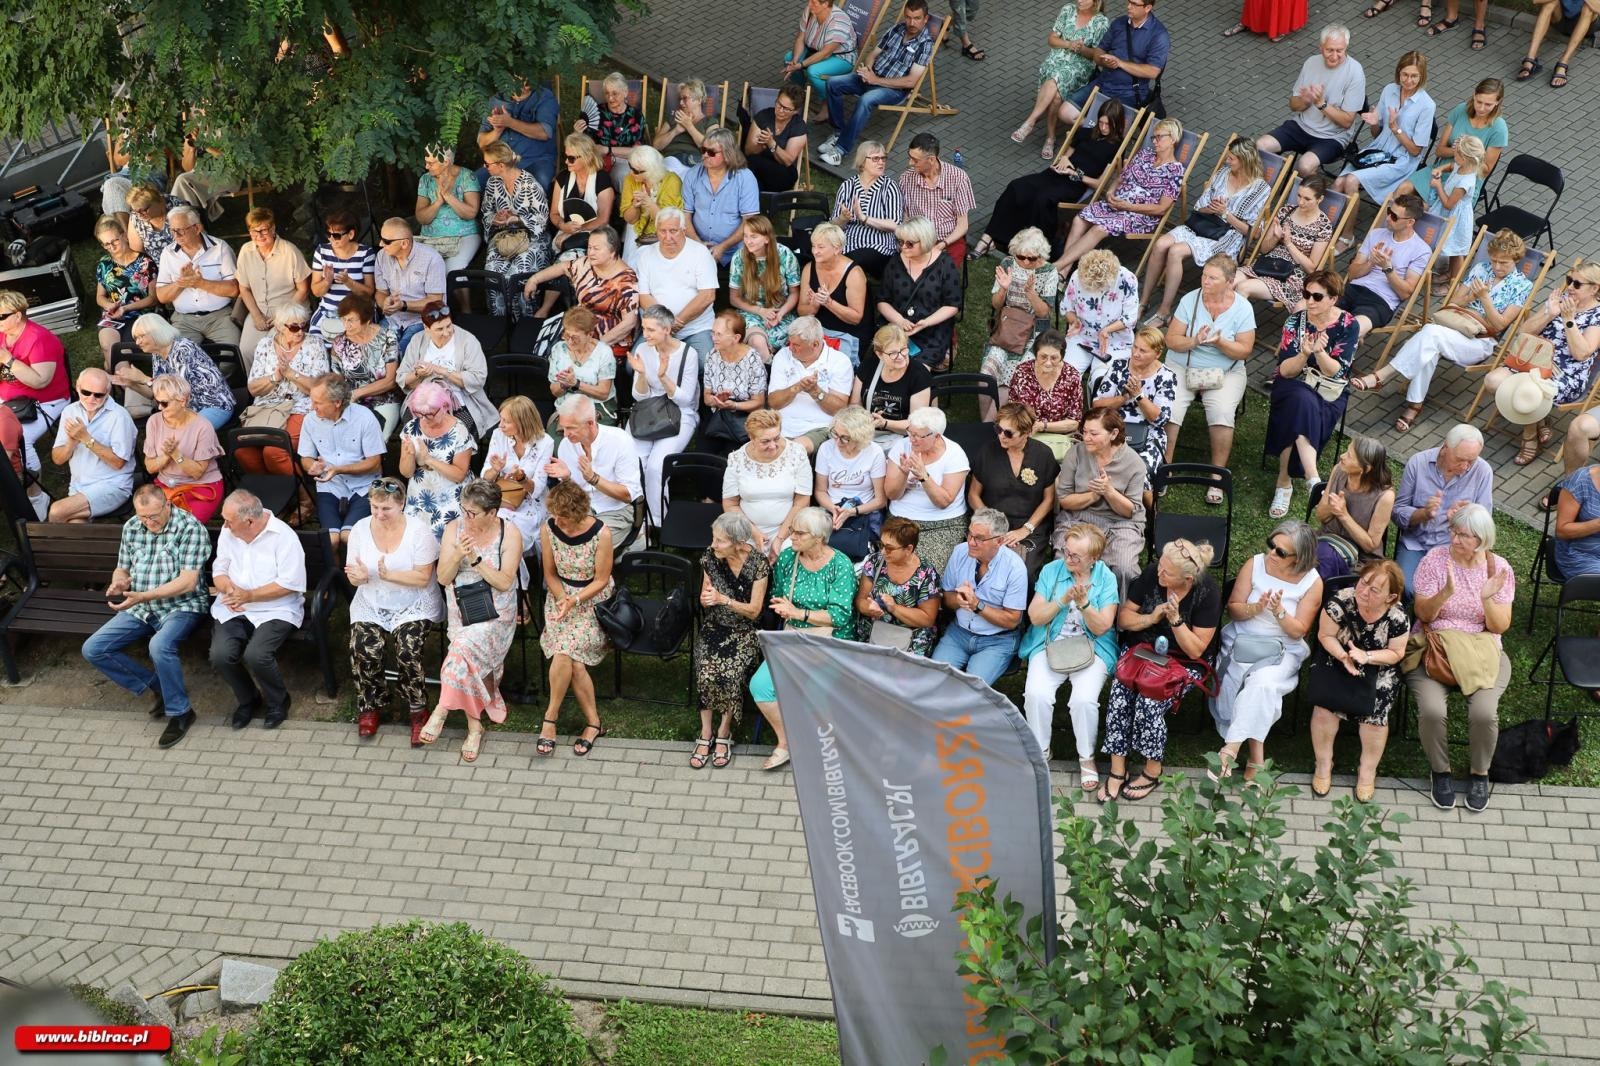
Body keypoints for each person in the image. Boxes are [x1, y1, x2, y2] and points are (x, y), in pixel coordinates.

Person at [1352, 228, 1532, 429]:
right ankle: (1414, 404)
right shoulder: (1481, 269)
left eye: (1503, 263)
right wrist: (1470, 297)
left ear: (1516, 260)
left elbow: (1500, 324)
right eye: (1494, 261)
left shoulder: (1522, 286)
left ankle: (1381, 376)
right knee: (1430, 344)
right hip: (1454, 326)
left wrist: (1484, 298)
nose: (1497, 266)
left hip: (1480, 341)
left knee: (1430, 333)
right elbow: (1454, 301)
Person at [83, 485, 213, 748]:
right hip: (140, 605)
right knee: (94, 648)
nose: (149, 522)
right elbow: (122, 567)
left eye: (154, 516)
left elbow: (188, 582)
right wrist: (118, 583)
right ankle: (159, 687)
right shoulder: (133, 526)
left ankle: (181, 712)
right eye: (144, 517)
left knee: (160, 646)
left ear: (167, 505)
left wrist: (144, 596)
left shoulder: (189, 528)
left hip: (182, 606)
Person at [1407, 504, 1513, 812]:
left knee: (1484, 713)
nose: (1454, 539)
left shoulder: (1498, 568)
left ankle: (1479, 773)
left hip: (1481, 650)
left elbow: (1499, 625)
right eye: (1453, 531)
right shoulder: (1435, 561)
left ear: (1481, 539)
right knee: (1431, 710)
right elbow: (1422, 613)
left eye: (1463, 535)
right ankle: (1441, 772)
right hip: (1435, 649)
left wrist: (1485, 598)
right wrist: (1446, 593)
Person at [1101, 539, 1222, 803]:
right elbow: (1123, 619)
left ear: (1187, 578)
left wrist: (1176, 620)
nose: (1159, 573)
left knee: (1150, 701)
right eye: (1160, 567)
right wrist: (1151, 617)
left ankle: (1152, 770)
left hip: (1182, 662)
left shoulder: (1207, 593)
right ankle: (1117, 768)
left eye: (1166, 572)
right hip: (1142, 651)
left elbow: (1196, 650)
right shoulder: (1152, 573)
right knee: (1120, 693)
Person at [1209, 521, 1322, 780]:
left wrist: (1279, 612)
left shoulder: (1313, 583)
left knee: (1263, 685)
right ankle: (1256, 761)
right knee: (1251, 684)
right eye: (1272, 545)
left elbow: (1299, 630)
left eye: (1281, 552)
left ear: (1299, 558)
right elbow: (1233, 609)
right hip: (1242, 640)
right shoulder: (1255, 564)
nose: (1272, 553)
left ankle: (1230, 750)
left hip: (1283, 649)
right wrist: (1255, 609)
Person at [423, 480, 524, 763]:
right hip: (462, 607)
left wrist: (477, 559)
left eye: (472, 513)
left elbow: (505, 582)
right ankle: (474, 726)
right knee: (462, 654)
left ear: (492, 513)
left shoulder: (509, 533)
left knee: (460, 652)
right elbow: (443, 578)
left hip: (496, 611)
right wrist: (456, 554)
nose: (466, 517)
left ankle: (442, 709)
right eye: (463, 510)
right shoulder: (454, 529)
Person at [749, 506, 857, 770]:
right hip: (794, 636)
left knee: (814, 691)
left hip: (831, 641)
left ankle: (820, 748)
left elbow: (840, 616)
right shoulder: (789, 558)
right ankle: (787, 742)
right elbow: (778, 595)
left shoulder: (840, 565)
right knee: (760, 686)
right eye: (792, 531)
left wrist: (798, 612)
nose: (791, 537)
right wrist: (783, 607)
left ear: (819, 537)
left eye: (799, 533)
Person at [344, 476, 444, 743]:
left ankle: (417, 709)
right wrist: (360, 577)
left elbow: (423, 578)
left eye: (385, 508)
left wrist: (388, 575)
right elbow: (353, 577)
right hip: (373, 600)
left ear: (401, 504)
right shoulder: (360, 529)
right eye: (374, 507)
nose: (379, 514)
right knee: (362, 646)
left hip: (413, 602)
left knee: (407, 650)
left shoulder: (418, 531)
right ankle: (370, 704)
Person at [1020, 522, 1120, 781]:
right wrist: (1063, 600)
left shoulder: (1106, 578)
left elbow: (1102, 628)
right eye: (1066, 551)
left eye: (1075, 555)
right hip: (1050, 642)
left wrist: (1084, 604)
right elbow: (1035, 617)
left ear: (1094, 558)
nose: (1068, 558)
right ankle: (1040, 751)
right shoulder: (1052, 571)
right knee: (1036, 694)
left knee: (1084, 700)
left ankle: (1086, 758)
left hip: (1092, 646)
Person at [1308, 560, 1410, 802]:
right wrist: (1344, 656)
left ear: (1391, 597)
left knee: (1375, 718)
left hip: (1378, 666)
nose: (1363, 592)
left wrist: (1367, 657)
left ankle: (1367, 771)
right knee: (1324, 710)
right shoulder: (1339, 602)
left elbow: (1396, 653)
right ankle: (1323, 764)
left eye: (1375, 590)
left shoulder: (1397, 617)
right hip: (1338, 657)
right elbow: (1325, 635)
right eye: (1363, 582)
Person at [977, 102, 1128, 262]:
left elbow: (1099, 184)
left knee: (1042, 198)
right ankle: (989, 237)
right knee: (1017, 186)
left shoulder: (1116, 147)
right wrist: (1063, 159)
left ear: (1116, 124)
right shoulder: (1085, 133)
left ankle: (1034, 247)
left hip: (1074, 184)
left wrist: (1074, 173)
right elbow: (1066, 155)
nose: (1103, 127)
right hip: (1055, 174)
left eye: (1108, 124)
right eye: (1101, 122)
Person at [1141, 140, 1271, 327]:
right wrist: (1211, 208)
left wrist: (1226, 214)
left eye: (1231, 158)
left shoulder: (1260, 190)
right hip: (1203, 224)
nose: (1227, 161)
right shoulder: (1223, 174)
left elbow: (1255, 233)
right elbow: (1199, 206)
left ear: (1244, 160)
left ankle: (1163, 311)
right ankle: (1143, 302)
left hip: (1227, 237)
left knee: (1175, 251)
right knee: (1161, 243)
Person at [1264, 270, 1359, 517]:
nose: (1310, 301)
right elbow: (1285, 371)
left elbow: (1337, 373)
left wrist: (1319, 353)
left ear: (1333, 299)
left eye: (1317, 296)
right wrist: (1304, 354)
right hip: (1293, 383)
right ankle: (1312, 478)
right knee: (1299, 399)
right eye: (1306, 294)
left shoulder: (1349, 324)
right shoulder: (1295, 323)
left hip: (1329, 391)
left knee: (1297, 407)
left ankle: (1284, 482)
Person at [1486, 262, 1600, 467]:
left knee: (1530, 391)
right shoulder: (1561, 300)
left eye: (1577, 284)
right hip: (1534, 361)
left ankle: (1529, 436)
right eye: (1568, 280)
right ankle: (1538, 422)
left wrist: (1568, 320)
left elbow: (1582, 353)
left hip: (1566, 374)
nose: (1570, 287)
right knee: (1493, 381)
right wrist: (1549, 312)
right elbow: (1524, 331)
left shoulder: (1597, 315)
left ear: (1595, 288)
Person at [211, 489, 306, 731]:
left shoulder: (284, 537)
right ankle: (248, 699)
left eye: (228, 520)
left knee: (256, 655)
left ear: (249, 521)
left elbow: (289, 584)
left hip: (276, 608)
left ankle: (278, 702)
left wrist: (250, 595)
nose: (224, 524)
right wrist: (228, 588)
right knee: (220, 654)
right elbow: (219, 570)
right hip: (235, 606)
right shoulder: (229, 532)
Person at [535, 478, 612, 760]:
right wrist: (562, 599)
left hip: (592, 599)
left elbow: (602, 580)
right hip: (560, 595)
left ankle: (550, 719)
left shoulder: (602, 534)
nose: (559, 522)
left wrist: (576, 600)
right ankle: (593, 723)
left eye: (564, 518)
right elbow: (550, 574)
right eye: (556, 516)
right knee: (571, 658)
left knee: (565, 652)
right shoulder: (549, 528)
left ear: (578, 513)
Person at [1162, 255, 1257, 476]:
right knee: (1170, 409)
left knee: (1222, 412)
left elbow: (1245, 350)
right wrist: (1193, 341)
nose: (1205, 281)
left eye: (1213, 278)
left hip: (1226, 371)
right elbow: (1171, 340)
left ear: (1229, 281)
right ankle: (1164, 467)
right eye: (1204, 275)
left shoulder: (1243, 308)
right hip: (1183, 365)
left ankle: (1217, 474)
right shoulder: (1190, 300)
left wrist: (1221, 342)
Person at [1054, 118, 1185, 276]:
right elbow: (1120, 177)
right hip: (1117, 204)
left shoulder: (1175, 172)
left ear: (1173, 139)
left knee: (1100, 227)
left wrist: (1128, 206)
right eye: (1153, 137)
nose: (1155, 141)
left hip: (1139, 215)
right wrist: (1110, 191)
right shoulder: (1145, 154)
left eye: (1159, 137)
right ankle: (1064, 272)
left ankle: (1056, 267)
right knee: (1079, 219)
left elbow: (1161, 208)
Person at [694, 512, 772, 769]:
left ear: (739, 542)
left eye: (720, 541)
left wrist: (723, 600)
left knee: (731, 673)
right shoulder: (710, 557)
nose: (714, 545)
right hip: (715, 625)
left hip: (745, 629)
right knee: (706, 672)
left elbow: (754, 610)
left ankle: (723, 733)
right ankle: (706, 733)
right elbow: (705, 593)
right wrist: (707, 599)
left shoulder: (758, 563)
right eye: (714, 538)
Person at [819, 0, 935, 165]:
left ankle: (840, 150)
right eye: (908, 17)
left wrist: (876, 80)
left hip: (894, 90)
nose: (911, 23)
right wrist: (868, 70)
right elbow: (873, 54)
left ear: (925, 19)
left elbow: (911, 81)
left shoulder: (925, 45)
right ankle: (838, 132)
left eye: (916, 18)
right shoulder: (896, 29)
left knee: (866, 100)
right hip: (872, 77)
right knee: (833, 83)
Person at [932, 508, 1028, 685]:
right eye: (969, 534)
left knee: (972, 691)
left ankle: (962, 714)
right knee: (934, 679)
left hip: (998, 640)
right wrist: (959, 600)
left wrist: (977, 605)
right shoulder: (959, 552)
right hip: (959, 634)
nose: (971, 542)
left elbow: (1012, 620)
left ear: (999, 541)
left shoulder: (1015, 568)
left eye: (979, 538)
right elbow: (946, 599)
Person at [1391, 423, 1492, 592]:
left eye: (1471, 460)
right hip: (1416, 544)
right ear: (1445, 447)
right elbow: (1397, 512)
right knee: (1406, 588)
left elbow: (1484, 524)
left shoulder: (1482, 471)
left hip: (1454, 549)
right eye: (1460, 459)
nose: (1466, 466)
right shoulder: (1418, 463)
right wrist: (1424, 514)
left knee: (1444, 594)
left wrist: (1461, 520)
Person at [1257, 25, 1365, 178]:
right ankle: (1264, 188)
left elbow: (1347, 121)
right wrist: (1305, 100)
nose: (1334, 56)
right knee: (1260, 146)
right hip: (1301, 126)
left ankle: (1300, 196)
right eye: (1329, 50)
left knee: (1304, 166)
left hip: (1332, 137)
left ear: (1346, 47)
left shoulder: (1355, 72)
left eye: (1339, 50)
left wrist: (1321, 104)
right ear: (1321, 48)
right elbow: (1293, 105)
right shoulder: (1311, 63)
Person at [968, 402, 1060, 578]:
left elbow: (1048, 499)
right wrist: (991, 524)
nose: (1002, 436)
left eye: (1009, 433)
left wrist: (1026, 529)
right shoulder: (987, 452)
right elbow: (973, 494)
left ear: (1027, 433)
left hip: (1030, 523)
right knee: (984, 569)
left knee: (1024, 571)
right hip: (993, 521)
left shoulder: (1043, 454)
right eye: (998, 429)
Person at [1055, 407, 1147, 580]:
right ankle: (1067, 605)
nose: (1086, 438)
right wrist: (1093, 496)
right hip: (1080, 517)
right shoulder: (1076, 453)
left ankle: (1119, 607)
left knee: (1124, 569)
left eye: (1094, 434)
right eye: (1084, 432)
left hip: (1120, 523)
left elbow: (1131, 511)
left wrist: (1109, 492)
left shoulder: (1134, 463)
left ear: (1113, 434)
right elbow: (1065, 500)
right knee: (1065, 561)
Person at [240, 303, 324, 493]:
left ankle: (301, 498)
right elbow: (253, 389)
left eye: (304, 325)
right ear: (279, 326)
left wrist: (291, 374)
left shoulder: (315, 344)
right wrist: (274, 378)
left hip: (300, 407)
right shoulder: (264, 345)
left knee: (275, 450)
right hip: (266, 408)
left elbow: (319, 389)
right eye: (294, 327)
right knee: (244, 450)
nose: (300, 331)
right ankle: (271, 494)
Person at [1011, 0, 1112, 158]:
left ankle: (1031, 121)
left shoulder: (1101, 22)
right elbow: (1051, 40)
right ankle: (1049, 137)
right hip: (1056, 58)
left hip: (1080, 66)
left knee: (1056, 79)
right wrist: (1068, 44)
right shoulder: (1068, 9)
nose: (1079, 0)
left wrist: (1081, 48)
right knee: (1056, 94)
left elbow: (1096, 56)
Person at [1333, 51, 1435, 208]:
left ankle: (1347, 232)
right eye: (1405, 74)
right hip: (1378, 151)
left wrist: (1396, 129)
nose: (1408, 80)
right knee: (1339, 182)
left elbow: (1415, 151)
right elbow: (1377, 135)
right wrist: (1374, 123)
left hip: (1401, 160)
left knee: (1351, 180)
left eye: (1414, 76)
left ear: (1422, 76)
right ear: (1398, 72)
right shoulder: (1389, 90)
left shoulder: (1427, 105)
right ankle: (1325, 225)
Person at [628, 306, 700, 525]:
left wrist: (663, 378)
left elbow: (686, 399)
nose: (646, 334)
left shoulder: (688, 353)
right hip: (649, 411)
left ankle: (657, 522)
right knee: (633, 460)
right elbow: (640, 397)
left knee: (656, 467)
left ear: (667, 329)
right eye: (644, 328)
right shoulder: (643, 348)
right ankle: (633, 517)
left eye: (651, 329)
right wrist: (641, 373)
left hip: (679, 414)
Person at [298, 375, 385, 551]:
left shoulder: (364, 417)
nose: (312, 407)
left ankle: (355, 577)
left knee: (349, 537)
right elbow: (305, 458)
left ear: (337, 402)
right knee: (331, 541)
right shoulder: (310, 420)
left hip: (363, 487)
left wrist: (338, 470)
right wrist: (312, 466)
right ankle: (335, 576)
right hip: (329, 487)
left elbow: (375, 463)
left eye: (318, 402)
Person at [979, 228, 1059, 416]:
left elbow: (1044, 314)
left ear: (1041, 257)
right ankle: (985, 424)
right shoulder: (1008, 263)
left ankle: (991, 426)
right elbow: (996, 305)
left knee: (1011, 378)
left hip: (1034, 332)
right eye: (1020, 256)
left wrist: (1031, 294)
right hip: (1007, 327)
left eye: (1031, 259)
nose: (1024, 262)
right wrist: (1003, 289)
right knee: (985, 377)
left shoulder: (1049, 271)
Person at [522, 228, 640, 354]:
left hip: (609, 340)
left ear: (613, 251)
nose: (591, 252)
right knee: (547, 348)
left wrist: (596, 346)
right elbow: (562, 267)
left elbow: (629, 322)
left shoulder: (626, 280)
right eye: (589, 247)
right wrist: (534, 279)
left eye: (596, 248)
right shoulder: (585, 264)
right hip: (580, 327)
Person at [548, 394, 643, 543]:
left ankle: (634, 542)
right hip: (580, 510)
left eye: (571, 428)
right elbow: (573, 496)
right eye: (563, 428)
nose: (565, 434)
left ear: (590, 423)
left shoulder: (620, 440)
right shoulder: (566, 445)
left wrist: (593, 479)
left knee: (587, 546)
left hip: (615, 511)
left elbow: (628, 495)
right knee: (551, 534)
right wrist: (566, 479)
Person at [885, 406, 970, 572]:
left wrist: (923, 476)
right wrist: (903, 473)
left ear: (936, 436)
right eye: (910, 433)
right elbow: (891, 494)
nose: (912, 439)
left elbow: (943, 501)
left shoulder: (955, 454)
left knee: (926, 572)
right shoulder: (901, 447)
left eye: (918, 436)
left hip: (942, 525)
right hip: (900, 521)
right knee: (892, 568)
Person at [1339, 189, 1431, 341]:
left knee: (1351, 331)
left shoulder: (1421, 250)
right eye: (1389, 211)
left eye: (1394, 216)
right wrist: (1371, 263)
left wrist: (1387, 268)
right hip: (1353, 289)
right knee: (1317, 316)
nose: (1388, 218)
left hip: (1380, 301)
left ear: (1410, 222)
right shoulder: (1376, 234)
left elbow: (1405, 293)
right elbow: (1352, 274)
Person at [1232, 176, 1333, 313]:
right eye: (1299, 196)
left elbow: (1311, 268)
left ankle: (1237, 330)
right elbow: (1264, 249)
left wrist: (1289, 244)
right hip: (1266, 264)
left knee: (1243, 288)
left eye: (1307, 199)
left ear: (1319, 199)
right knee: (1228, 281)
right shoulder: (1286, 211)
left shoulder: (1323, 226)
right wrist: (1275, 237)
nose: (1301, 202)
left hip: (1290, 276)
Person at [1057, 0, 1171, 121]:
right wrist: (1103, 60)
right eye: (1129, 2)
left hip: (1129, 92)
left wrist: (1120, 63)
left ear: (1147, 8)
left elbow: (1153, 71)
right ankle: (1095, 127)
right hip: (1103, 83)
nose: (1128, 6)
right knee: (1065, 113)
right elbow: (1099, 52)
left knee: (1113, 126)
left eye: (1134, 4)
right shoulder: (1119, 23)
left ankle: (1100, 129)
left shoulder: (1159, 35)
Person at [723, 408, 814, 559]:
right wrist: (755, 533)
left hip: (789, 529)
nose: (772, 445)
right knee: (746, 568)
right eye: (765, 441)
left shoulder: (797, 453)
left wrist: (780, 538)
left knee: (788, 559)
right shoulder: (736, 459)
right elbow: (731, 504)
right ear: (751, 437)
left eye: (776, 438)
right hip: (747, 529)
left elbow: (802, 501)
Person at [48, 368, 135, 523]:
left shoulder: (119, 417)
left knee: (57, 511)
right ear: (77, 387)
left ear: (108, 392)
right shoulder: (70, 411)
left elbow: (118, 463)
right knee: (75, 526)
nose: (91, 399)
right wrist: (70, 444)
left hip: (112, 485)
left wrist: (87, 439)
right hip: (78, 486)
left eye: (99, 395)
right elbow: (57, 459)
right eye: (86, 392)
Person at [396, 302, 496, 439]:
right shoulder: (417, 340)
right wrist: (418, 374)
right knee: (413, 429)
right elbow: (402, 378)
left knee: (460, 432)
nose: (446, 332)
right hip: (424, 399)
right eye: (439, 329)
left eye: (448, 326)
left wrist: (444, 372)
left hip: (460, 399)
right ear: (426, 328)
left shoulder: (467, 340)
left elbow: (478, 377)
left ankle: (455, 459)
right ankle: (423, 459)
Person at [118, 314, 234, 431]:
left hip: (214, 405)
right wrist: (131, 384)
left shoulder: (182, 349)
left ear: (156, 333)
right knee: (162, 433)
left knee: (184, 436)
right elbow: (157, 394)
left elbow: (179, 393)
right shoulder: (157, 354)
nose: (137, 342)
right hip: (187, 408)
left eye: (140, 337)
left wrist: (144, 379)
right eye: (136, 338)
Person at [1090, 325, 1175, 481]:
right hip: (1113, 429)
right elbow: (1097, 406)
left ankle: (1142, 504)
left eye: (1143, 351)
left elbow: (1160, 420)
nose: (1136, 354)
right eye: (1135, 347)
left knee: (1138, 474)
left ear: (1157, 354)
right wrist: (1123, 398)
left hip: (1149, 433)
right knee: (1097, 470)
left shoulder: (1166, 377)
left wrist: (1139, 396)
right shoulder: (1119, 366)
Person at [633, 208, 719, 361]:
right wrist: (665, 322)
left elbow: (707, 295)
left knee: (703, 363)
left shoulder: (700, 253)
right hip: (658, 328)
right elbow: (644, 296)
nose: (668, 237)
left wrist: (677, 322)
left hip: (696, 328)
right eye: (662, 231)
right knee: (633, 365)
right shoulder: (645, 255)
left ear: (683, 230)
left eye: (673, 231)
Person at [878, 216, 963, 371]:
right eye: (900, 242)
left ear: (924, 241)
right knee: (888, 367)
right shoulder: (895, 262)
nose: (903, 247)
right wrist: (899, 320)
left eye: (909, 243)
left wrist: (926, 322)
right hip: (898, 327)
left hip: (932, 329)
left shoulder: (945, 264)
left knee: (917, 372)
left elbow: (953, 305)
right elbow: (882, 300)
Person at [0, 291, 70, 473]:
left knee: (19, 440)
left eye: (1, 316)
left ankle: (36, 496)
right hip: (8, 398)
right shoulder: (3, 334)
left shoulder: (39, 339)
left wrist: (8, 360)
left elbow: (41, 381)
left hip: (44, 401)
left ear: (17, 316)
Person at [398, 381, 477, 540]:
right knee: (417, 544)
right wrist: (408, 456)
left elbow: (459, 474)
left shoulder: (459, 430)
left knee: (448, 540)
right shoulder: (411, 428)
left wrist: (428, 459)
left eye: (430, 414)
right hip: (420, 497)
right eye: (419, 414)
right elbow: (406, 473)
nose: (425, 419)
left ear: (444, 406)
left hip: (451, 497)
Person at [478, 144, 550, 317]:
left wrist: (518, 219)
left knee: (518, 272)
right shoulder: (492, 183)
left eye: (487, 164)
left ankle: (526, 320)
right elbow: (486, 211)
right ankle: (500, 320)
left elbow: (542, 216)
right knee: (493, 272)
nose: (484, 167)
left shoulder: (529, 184)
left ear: (501, 165)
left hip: (531, 238)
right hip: (504, 237)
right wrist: (495, 218)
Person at [155, 205, 242, 346]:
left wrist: (200, 283)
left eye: (181, 230)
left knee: (233, 355)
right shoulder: (168, 253)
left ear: (197, 228)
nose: (176, 236)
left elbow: (234, 290)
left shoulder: (219, 247)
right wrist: (181, 282)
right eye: (173, 231)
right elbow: (162, 296)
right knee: (179, 358)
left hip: (219, 317)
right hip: (184, 320)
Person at [143, 374, 225, 523]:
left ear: (182, 401)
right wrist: (166, 456)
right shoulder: (154, 422)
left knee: (186, 527)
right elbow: (150, 467)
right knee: (151, 521)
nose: (160, 408)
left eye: (165, 403)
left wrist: (176, 455)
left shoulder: (203, 427)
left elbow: (197, 472)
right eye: (157, 402)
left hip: (201, 487)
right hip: (166, 485)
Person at [855, 514, 942, 652]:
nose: (883, 551)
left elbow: (927, 619)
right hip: (873, 634)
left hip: (910, 640)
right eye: (881, 545)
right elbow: (860, 600)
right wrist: (868, 607)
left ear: (908, 549)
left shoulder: (927, 574)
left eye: (889, 548)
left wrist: (894, 608)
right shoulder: (875, 562)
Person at [769, 316, 854, 454]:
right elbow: (773, 402)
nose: (790, 348)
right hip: (780, 426)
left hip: (818, 428)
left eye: (796, 345)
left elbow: (839, 409)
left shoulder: (840, 361)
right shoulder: (783, 355)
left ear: (815, 344)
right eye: (789, 343)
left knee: (794, 450)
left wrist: (815, 391)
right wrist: (797, 388)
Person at [1313, 437, 1396, 578]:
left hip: (1361, 559)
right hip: (1326, 539)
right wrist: (1332, 508)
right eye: (1346, 451)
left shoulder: (1384, 496)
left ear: (1365, 468)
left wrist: (1343, 515)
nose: (1342, 456)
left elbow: (1370, 545)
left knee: (1322, 561)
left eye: (1349, 456)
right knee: (1291, 542)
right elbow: (1320, 515)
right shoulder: (1339, 470)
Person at [234, 208, 312, 357]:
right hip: (259, 310)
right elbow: (244, 289)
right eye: (254, 231)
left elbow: (303, 290)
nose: (259, 236)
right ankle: (255, 381)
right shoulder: (245, 251)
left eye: (263, 230)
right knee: (246, 350)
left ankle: (277, 380)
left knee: (271, 349)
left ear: (273, 228)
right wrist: (256, 316)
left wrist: (281, 317)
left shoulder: (289, 251)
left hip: (288, 311)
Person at [814, 405, 888, 557]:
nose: (838, 441)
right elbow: (820, 491)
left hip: (863, 511)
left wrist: (851, 512)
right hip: (832, 508)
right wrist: (834, 509)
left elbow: (880, 500)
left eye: (845, 438)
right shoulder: (826, 448)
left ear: (860, 437)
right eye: (835, 434)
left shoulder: (874, 452)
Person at [481, 395, 553, 548]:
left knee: (504, 528)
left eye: (506, 421)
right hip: (503, 498)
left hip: (531, 502)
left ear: (522, 423)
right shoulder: (498, 435)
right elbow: (484, 478)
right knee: (494, 521)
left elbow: (538, 488)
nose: (501, 425)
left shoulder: (546, 442)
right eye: (501, 419)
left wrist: (522, 478)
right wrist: (495, 470)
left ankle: (511, 568)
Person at [682, 127, 760, 267]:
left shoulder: (745, 178)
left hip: (735, 250)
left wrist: (723, 247)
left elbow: (750, 221)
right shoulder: (692, 175)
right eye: (703, 150)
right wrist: (698, 244)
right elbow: (686, 215)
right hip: (697, 245)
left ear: (727, 154)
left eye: (711, 152)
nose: (705, 155)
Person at [329, 293, 403, 439]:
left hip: (384, 399)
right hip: (350, 402)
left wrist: (356, 393)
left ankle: (376, 461)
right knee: (345, 436)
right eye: (343, 319)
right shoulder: (339, 343)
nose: (346, 325)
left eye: (351, 320)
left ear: (367, 320)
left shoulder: (387, 337)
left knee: (376, 438)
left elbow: (390, 380)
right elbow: (337, 381)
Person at [1060, 248, 1138, 387]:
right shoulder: (1078, 276)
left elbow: (1130, 318)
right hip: (1082, 337)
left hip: (1115, 342)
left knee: (1103, 382)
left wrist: (1106, 330)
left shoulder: (1127, 278)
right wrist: (1074, 321)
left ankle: (1097, 406)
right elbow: (1067, 308)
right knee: (1066, 377)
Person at [729, 215, 801, 361]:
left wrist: (780, 314)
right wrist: (760, 311)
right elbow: (734, 298)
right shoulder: (739, 257)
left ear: (767, 238)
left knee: (795, 340)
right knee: (757, 341)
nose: (748, 241)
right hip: (751, 312)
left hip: (781, 312)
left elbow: (794, 293)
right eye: (746, 236)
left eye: (754, 236)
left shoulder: (785, 255)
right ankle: (768, 372)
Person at [797, 222, 871, 365]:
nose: (815, 251)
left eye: (821, 247)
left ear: (837, 249)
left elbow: (856, 318)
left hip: (850, 331)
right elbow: (801, 310)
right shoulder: (809, 268)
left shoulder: (854, 273)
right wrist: (814, 306)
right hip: (818, 330)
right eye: (813, 246)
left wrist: (828, 302)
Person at [897, 133, 976, 263]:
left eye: (915, 160)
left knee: (939, 273)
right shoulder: (906, 179)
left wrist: (942, 244)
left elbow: (963, 225)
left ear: (931, 160)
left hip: (948, 241)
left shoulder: (958, 178)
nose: (910, 163)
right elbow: (905, 217)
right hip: (917, 241)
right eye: (910, 157)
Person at [1008, 330, 1084, 462]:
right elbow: (1013, 410)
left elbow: (1074, 422)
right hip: (1027, 435)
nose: (1048, 363)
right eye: (1043, 357)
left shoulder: (1072, 377)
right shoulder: (1022, 372)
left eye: (1054, 358)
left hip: (1061, 438)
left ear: (1062, 357)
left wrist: (1042, 426)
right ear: (1035, 355)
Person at [374, 218, 448, 352]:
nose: (380, 244)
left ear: (404, 243)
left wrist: (403, 305)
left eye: (386, 241)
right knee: (374, 352)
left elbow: (436, 302)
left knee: (401, 355)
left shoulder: (432, 259)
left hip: (423, 321)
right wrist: (383, 303)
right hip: (393, 320)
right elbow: (380, 292)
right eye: (381, 238)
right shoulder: (381, 256)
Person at [92, 216, 157, 365]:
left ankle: (119, 377)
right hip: (114, 315)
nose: (112, 247)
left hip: (139, 314)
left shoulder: (145, 262)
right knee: (109, 346)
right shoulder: (104, 264)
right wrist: (110, 306)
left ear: (124, 236)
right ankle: (122, 378)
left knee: (122, 349)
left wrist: (125, 308)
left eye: (114, 241)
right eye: (106, 244)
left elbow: (154, 298)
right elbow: (100, 297)